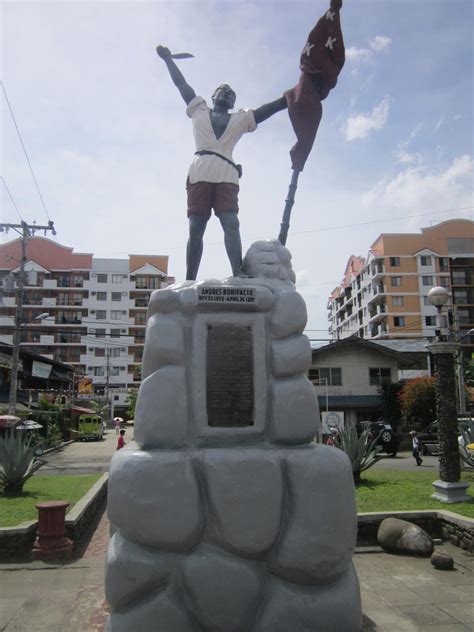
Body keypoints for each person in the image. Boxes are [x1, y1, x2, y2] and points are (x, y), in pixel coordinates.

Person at [156, 45, 288, 280]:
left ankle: (237, 271)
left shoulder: (240, 119)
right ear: (213, 95)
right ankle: (190, 278)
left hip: (226, 173)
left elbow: (268, 110)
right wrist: (168, 60)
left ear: (233, 102)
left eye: (231, 93)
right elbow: (181, 84)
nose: (227, 93)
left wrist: (289, 98)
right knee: (196, 227)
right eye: (222, 90)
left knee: (231, 222)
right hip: (201, 170)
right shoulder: (198, 109)